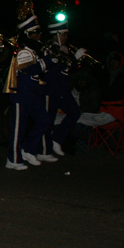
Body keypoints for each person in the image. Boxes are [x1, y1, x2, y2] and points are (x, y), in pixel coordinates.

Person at [6, 0, 60, 170]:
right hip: (22, 94)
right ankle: (12, 159)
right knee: (18, 128)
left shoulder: (34, 51)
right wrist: (49, 60)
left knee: (44, 121)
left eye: (39, 32)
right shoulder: (23, 51)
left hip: (33, 94)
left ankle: (28, 149)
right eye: (35, 32)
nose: (39, 36)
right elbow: (32, 70)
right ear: (27, 34)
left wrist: (51, 57)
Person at [38, 8, 83, 159]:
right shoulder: (50, 48)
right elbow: (53, 68)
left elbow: (67, 70)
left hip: (62, 88)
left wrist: (76, 62)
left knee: (75, 112)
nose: (66, 37)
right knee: (48, 120)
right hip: (50, 88)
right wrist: (74, 60)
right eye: (64, 34)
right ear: (57, 34)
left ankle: (56, 139)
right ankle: (43, 151)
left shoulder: (64, 48)